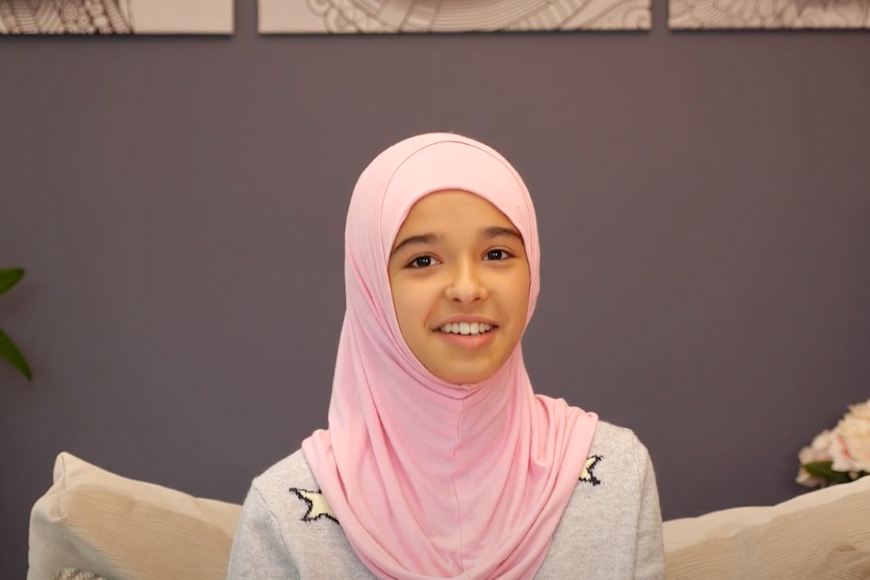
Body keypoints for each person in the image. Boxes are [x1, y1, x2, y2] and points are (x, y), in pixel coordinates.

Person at [226, 133, 665, 580]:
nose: (467, 288)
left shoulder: (616, 473)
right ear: (371, 287)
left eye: (497, 253)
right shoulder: (285, 511)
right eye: (423, 261)